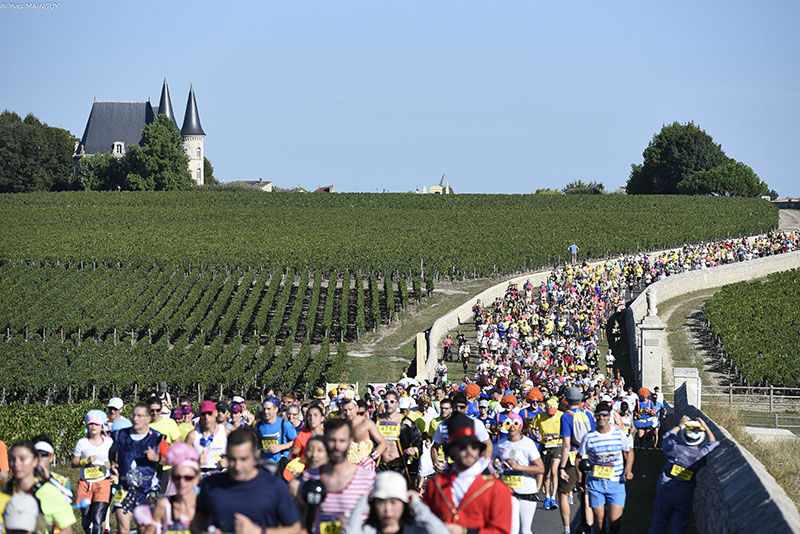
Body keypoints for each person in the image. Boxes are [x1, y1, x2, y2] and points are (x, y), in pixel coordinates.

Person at [192, 428, 301, 534]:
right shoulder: (211, 485)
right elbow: (197, 522)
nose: (237, 466)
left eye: (243, 459)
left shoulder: (274, 486)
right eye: (232, 459)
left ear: (255, 457)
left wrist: (259, 532)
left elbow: (296, 529)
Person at [423, 413, 512, 534]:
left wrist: (466, 532)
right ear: (452, 450)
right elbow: (424, 523)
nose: (469, 451)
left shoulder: (497, 489)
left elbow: (501, 530)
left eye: (474, 447)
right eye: (462, 447)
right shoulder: (435, 484)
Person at [293, 418, 376, 534]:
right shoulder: (309, 477)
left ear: (350, 441)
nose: (337, 446)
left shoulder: (368, 478)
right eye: (332, 440)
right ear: (325, 440)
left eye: (342, 441)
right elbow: (302, 515)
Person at [649, 417, 719, 534]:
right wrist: (705, 427)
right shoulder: (700, 454)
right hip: (685, 492)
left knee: (659, 521)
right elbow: (713, 443)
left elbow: (667, 436)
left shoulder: (674, 448)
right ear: (699, 438)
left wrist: (681, 425)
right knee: (679, 524)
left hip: (665, 488)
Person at [578, 402, 634, 534]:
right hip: (595, 483)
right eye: (598, 415)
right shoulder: (589, 437)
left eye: (604, 415)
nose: (601, 418)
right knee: (599, 522)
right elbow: (579, 458)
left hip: (616, 482)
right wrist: (580, 479)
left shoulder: (618, 434)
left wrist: (628, 469)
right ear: (595, 416)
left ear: (609, 416)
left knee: (615, 522)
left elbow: (629, 451)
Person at [109, 402, 164, 534]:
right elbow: (112, 450)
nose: (135, 419)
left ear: (148, 418)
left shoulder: (156, 438)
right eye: (134, 415)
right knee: (123, 530)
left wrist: (156, 458)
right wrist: (112, 463)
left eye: (140, 416)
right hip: (124, 488)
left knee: (145, 529)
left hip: (147, 489)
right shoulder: (120, 435)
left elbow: (170, 460)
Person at [343, 471, 449, 534]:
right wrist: (362, 503)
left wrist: (418, 506)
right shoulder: (367, 531)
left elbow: (441, 532)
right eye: (381, 502)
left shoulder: (415, 530)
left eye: (393, 502)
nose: (387, 509)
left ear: (404, 503)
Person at [5, 440, 76, 534]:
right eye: (12, 459)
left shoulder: (49, 492)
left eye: (22, 459)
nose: (16, 464)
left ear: (35, 461)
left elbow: (66, 529)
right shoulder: (5, 491)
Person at [493, 413, 544, 534]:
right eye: (508, 424)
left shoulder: (528, 443)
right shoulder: (501, 443)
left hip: (526, 490)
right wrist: (495, 464)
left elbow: (540, 468)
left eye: (515, 424)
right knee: (512, 529)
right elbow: (493, 462)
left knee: (525, 530)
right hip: (508, 491)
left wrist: (519, 467)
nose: (512, 427)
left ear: (520, 426)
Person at [139, 442, 200, 534]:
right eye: (177, 477)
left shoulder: (205, 505)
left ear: (196, 479)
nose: (182, 482)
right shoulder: (164, 505)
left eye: (188, 477)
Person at [558, 387, 596, 534]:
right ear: (580, 400)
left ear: (566, 400)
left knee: (564, 492)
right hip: (588, 456)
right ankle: (589, 527)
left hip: (573, 456)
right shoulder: (588, 414)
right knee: (586, 494)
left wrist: (562, 466)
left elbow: (566, 444)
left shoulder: (566, 416)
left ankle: (567, 529)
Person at [72, 410, 113, 534]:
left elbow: (118, 460)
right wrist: (86, 461)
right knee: (86, 519)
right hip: (85, 485)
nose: (93, 426)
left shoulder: (109, 443)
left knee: (97, 519)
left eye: (96, 424)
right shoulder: (82, 443)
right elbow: (73, 463)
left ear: (102, 426)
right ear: (87, 426)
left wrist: (111, 464)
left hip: (103, 483)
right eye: (91, 424)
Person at [377, 390, 423, 486]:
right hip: (380, 466)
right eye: (386, 401)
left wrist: (414, 450)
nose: (388, 404)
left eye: (392, 401)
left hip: (399, 466)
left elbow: (418, 440)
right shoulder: (376, 420)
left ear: (397, 403)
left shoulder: (406, 422)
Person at [532, 396, 563, 511]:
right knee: (547, 474)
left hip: (557, 446)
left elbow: (566, 432)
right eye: (549, 412)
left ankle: (554, 497)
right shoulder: (540, 416)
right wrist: (536, 436)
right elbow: (532, 428)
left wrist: (554, 436)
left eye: (553, 412)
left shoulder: (561, 416)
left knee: (554, 471)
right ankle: (547, 497)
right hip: (545, 447)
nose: (551, 414)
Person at [340, 398, 387, 470]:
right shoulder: (340, 425)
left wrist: (371, 458)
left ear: (356, 408)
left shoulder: (367, 423)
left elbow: (383, 443)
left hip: (366, 466)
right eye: (345, 411)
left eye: (350, 410)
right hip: (347, 467)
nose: (348, 413)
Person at [185, 400, 228, 477]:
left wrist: (228, 462)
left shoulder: (225, 433)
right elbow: (182, 462)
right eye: (203, 414)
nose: (206, 417)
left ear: (215, 413)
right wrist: (196, 462)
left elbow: (238, 456)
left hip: (220, 477)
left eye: (209, 413)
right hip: (199, 478)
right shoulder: (192, 436)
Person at [255, 397, 297, 468]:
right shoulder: (258, 425)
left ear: (276, 409)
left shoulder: (285, 424)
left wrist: (280, 447)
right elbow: (258, 443)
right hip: (265, 463)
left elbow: (296, 441)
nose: (265, 412)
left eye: (269, 409)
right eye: (264, 409)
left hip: (281, 463)